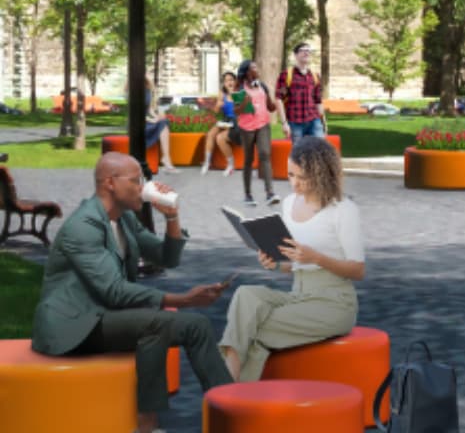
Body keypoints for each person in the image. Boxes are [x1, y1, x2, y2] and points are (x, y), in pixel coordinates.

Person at [32, 153, 233, 433]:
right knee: (165, 323)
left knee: (182, 326)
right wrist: (183, 300)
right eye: (137, 180)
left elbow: (166, 257)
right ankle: (154, 423)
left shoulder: (124, 219)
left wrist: (172, 215)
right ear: (110, 183)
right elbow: (114, 291)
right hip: (74, 325)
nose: (144, 186)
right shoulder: (83, 226)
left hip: (104, 315)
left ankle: (227, 414)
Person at [221, 137, 364, 380]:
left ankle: (226, 390)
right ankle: (231, 390)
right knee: (246, 295)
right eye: (290, 175)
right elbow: (294, 264)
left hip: (334, 303)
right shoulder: (289, 204)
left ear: (321, 175)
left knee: (250, 327)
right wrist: (275, 264)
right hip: (297, 295)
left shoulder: (343, 210)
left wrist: (316, 258)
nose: (294, 183)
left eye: (302, 177)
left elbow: (358, 270)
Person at [234, 60, 279, 207]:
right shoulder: (240, 88)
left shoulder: (262, 86)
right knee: (248, 160)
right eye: (254, 67)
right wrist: (244, 103)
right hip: (246, 128)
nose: (257, 69)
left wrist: (280, 98)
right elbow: (236, 111)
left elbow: (271, 108)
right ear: (247, 72)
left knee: (265, 155)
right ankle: (248, 195)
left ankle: (270, 193)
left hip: (263, 125)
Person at [276, 43, 326, 141]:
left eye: (308, 51)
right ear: (295, 55)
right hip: (295, 122)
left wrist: (323, 122)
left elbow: (318, 100)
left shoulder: (315, 76)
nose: (306, 53)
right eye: (303, 50)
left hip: (314, 121)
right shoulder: (286, 75)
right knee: (299, 150)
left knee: (319, 148)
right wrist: (284, 123)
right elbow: (278, 99)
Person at [202, 71, 241, 176]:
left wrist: (233, 96)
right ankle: (207, 163)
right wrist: (218, 106)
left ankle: (231, 165)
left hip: (237, 121)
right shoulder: (222, 93)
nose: (229, 82)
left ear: (235, 81)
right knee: (210, 134)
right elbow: (216, 111)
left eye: (231, 80)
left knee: (220, 138)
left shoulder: (239, 93)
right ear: (224, 83)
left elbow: (242, 111)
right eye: (226, 81)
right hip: (226, 120)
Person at [142, 78, 177, 173]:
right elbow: (136, 112)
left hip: (147, 121)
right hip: (137, 123)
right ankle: (166, 159)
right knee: (162, 124)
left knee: (163, 122)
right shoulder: (132, 91)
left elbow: (149, 109)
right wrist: (151, 119)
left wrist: (157, 117)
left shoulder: (147, 89)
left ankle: (166, 157)